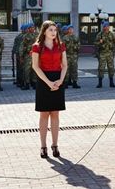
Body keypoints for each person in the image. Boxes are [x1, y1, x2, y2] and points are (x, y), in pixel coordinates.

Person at [32, 20, 68, 159]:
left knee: (55, 114)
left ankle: (55, 145)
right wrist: (48, 82)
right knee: (44, 115)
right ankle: (43, 146)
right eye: (50, 30)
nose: (53, 32)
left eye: (55, 30)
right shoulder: (37, 47)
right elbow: (35, 66)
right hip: (43, 80)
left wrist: (60, 81)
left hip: (58, 80)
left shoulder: (61, 46)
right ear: (44, 31)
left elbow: (64, 65)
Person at [95, 21, 115, 88]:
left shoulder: (112, 34)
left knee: (111, 68)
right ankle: (100, 83)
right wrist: (100, 42)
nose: (106, 28)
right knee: (101, 68)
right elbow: (95, 43)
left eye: (107, 26)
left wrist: (114, 51)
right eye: (105, 26)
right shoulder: (100, 34)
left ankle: (111, 82)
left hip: (110, 53)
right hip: (102, 53)